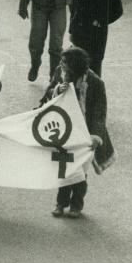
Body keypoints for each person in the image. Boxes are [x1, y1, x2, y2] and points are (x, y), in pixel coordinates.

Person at [40, 46, 113, 218]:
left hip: (85, 133)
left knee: (80, 170)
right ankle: (60, 203)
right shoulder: (60, 72)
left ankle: (76, 204)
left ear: (76, 66)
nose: (61, 65)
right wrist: (58, 90)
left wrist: (95, 136)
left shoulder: (96, 83)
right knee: (65, 167)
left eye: (65, 63)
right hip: (66, 129)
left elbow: (99, 112)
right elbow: (48, 93)